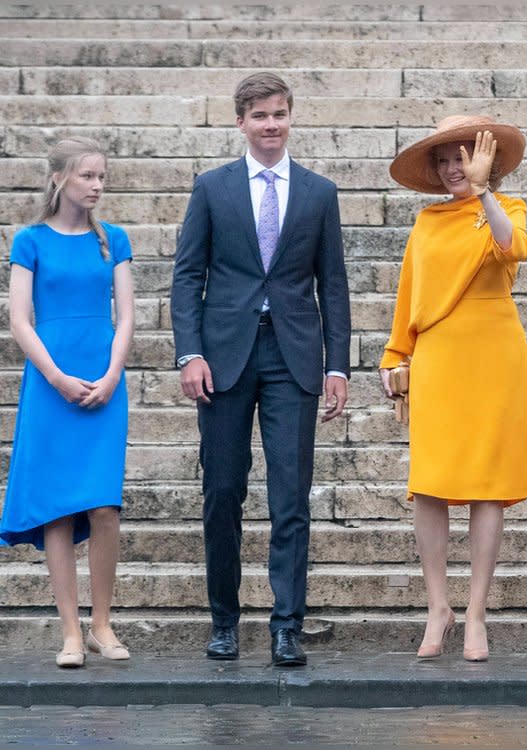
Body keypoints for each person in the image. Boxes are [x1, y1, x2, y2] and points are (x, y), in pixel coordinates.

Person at [171, 72, 351, 667]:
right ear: (241, 122)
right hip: (223, 358)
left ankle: (286, 626)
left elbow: (335, 286)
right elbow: (187, 276)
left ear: (290, 117)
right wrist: (189, 353)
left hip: (293, 357)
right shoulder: (212, 188)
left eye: (279, 114)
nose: (271, 124)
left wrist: (339, 365)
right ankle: (224, 620)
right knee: (222, 491)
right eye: (259, 116)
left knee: (290, 496)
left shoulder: (319, 192)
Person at [379, 115, 527, 662]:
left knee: (488, 484)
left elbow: (513, 249)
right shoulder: (426, 222)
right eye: (442, 161)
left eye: (460, 157)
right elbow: (407, 294)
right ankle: (438, 606)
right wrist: (396, 354)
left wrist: (485, 192)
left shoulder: (505, 209)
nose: (450, 169)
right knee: (431, 482)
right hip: (439, 356)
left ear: (486, 162)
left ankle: (477, 612)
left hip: (493, 355)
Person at [0, 136, 135, 667]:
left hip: (104, 380)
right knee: (57, 510)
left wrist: (112, 374)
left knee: (104, 507)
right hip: (50, 381)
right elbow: (18, 320)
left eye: (102, 175)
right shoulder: (30, 240)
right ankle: (72, 633)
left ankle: (103, 623)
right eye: (88, 176)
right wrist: (55, 377)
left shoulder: (114, 238)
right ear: (59, 178)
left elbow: (125, 315)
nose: (98, 185)